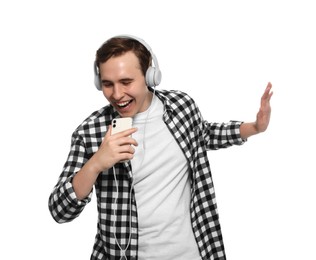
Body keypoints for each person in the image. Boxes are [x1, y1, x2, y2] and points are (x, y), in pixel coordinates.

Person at [48, 34, 273, 260]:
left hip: (195, 252)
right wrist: (96, 163)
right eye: (107, 84)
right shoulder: (90, 131)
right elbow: (59, 210)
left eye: (126, 82)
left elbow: (203, 134)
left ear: (150, 75)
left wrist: (254, 127)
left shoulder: (180, 106)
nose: (116, 95)